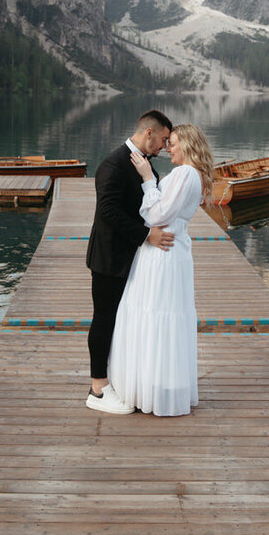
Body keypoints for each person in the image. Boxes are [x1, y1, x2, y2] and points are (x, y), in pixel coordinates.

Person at [108, 123, 214, 417]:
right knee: (165, 317)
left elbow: (156, 215)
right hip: (172, 250)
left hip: (162, 254)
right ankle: (161, 387)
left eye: (175, 142)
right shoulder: (193, 176)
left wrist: (146, 180)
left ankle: (149, 390)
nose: (169, 148)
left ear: (189, 146)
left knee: (154, 313)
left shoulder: (184, 173)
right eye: (168, 142)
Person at [85, 109, 175, 414]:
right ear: (148, 133)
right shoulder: (112, 164)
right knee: (104, 318)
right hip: (109, 257)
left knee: (124, 320)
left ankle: (119, 379)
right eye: (163, 139)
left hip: (134, 259)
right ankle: (97, 388)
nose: (164, 146)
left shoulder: (146, 165)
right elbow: (108, 213)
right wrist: (146, 235)